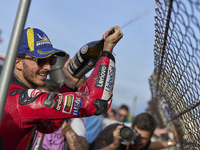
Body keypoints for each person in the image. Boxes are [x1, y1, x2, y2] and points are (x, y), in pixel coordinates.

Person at [0, 26, 123, 150]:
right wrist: (107, 52)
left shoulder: (10, 93)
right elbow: (97, 102)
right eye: (40, 60)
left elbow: (49, 125)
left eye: (51, 60)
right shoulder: (22, 100)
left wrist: (69, 84)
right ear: (17, 62)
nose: (48, 67)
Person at [31, 79, 89, 150]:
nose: (40, 103)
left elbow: (81, 149)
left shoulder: (73, 121)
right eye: (37, 98)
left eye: (45, 99)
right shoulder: (32, 119)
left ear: (56, 99)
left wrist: (64, 124)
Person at [90, 112, 178, 150]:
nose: (139, 140)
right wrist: (113, 146)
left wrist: (172, 143)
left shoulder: (142, 143)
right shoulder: (116, 134)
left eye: (144, 138)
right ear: (131, 127)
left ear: (150, 137)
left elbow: (149, 146)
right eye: (137, 135)